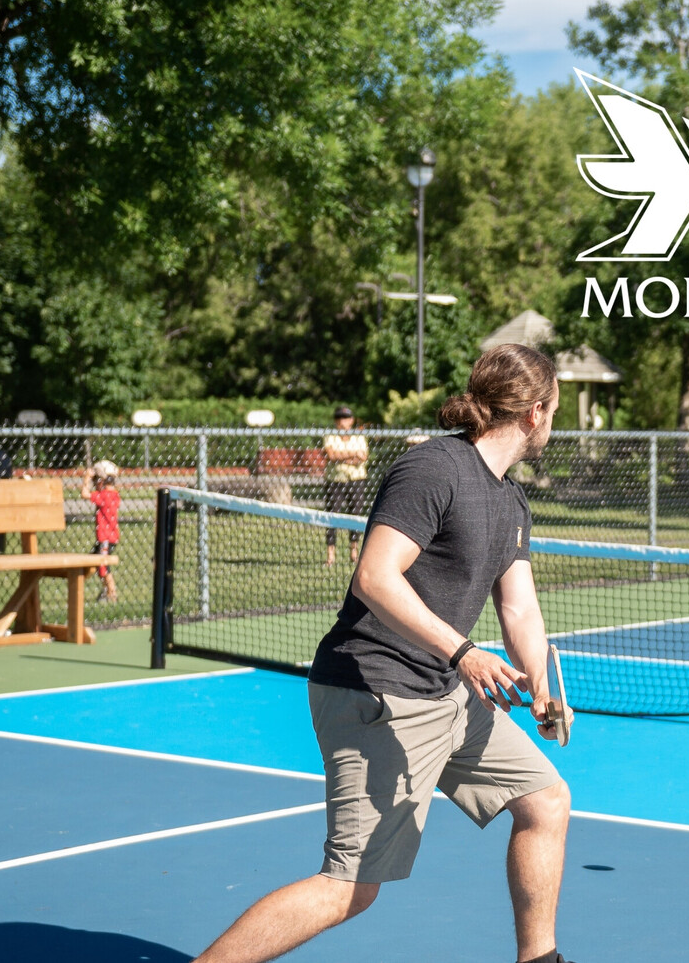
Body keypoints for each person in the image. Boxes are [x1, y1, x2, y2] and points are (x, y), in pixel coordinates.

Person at [192, 344, 575, 963]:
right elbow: (375, 575)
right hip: (377, 690)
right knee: (349, 888)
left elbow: (519, 608)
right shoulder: (434, 468)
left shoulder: (510, 500)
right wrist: (463, 652)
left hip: (446, 692)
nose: (554, 422)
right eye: (555, 410)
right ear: (534, 412)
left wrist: (541, 689)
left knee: (545, 801)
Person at [324, 406, 370, 565]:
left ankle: (354, 552)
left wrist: (342, 457)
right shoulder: (331, 436)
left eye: (345, 418)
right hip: (335, 480)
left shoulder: (359, 436)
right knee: (332, 516)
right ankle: (330, 556)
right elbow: (332, 455)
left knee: (355, 514)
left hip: (356, 480)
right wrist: (353, 454)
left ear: (351, 420)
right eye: (339, 418)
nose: (342, 421)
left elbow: (363, 457)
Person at [83, 460, 121, 602]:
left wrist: (86, 478)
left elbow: (84, 494)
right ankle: (106, 590)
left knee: (103, 566)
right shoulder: (115, 495)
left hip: (105, 538)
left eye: (97, 480)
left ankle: (111, 593)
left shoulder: (104, 495)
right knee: (95, 562)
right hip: (110, 537)